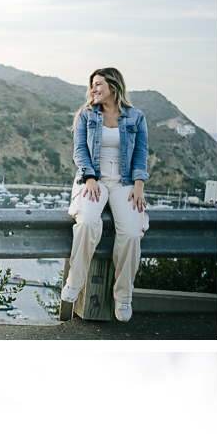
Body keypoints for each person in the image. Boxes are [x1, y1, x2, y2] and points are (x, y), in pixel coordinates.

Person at [61, 68, 150, 322]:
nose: (93, 90)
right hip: (93, 178)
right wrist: (89, 177)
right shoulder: (86, 115)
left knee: (132, 233)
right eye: (91, 85)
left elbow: (141, 154)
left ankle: (123, 296)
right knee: (88, 221)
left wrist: (138, 184)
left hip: (125, 182)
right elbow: (80, 151)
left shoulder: (136, 117)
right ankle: (75, 282)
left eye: (98, 84)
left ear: (113, 86)